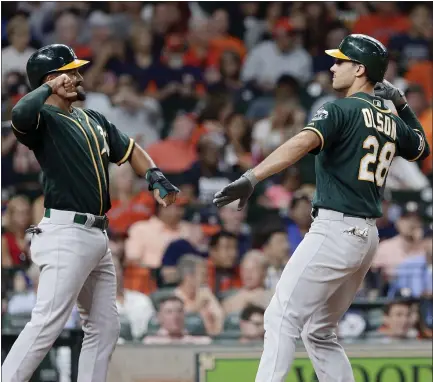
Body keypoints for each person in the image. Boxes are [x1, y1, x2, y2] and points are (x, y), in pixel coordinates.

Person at [213, 34, 430, 382]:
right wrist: (401, 105)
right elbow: (421, 147)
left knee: (281, 317)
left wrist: (253, 176)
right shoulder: (390, 120)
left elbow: (302, 141)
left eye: (341, 61)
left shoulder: (341, 108)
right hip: (366, 237)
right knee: (319, 331)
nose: (332, 66)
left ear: (359, 69)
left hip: (335, 229)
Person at [3, 44, 179, 382]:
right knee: (47, 323)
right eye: (69, 73)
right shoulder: (44, 120)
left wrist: (155, 175)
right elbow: (20, 115)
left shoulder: (91, 118)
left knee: (105, 327)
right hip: (64, 233)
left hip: (96, 235)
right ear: (50, 79)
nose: (78, 77)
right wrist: (45, 87)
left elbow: (130, 149)